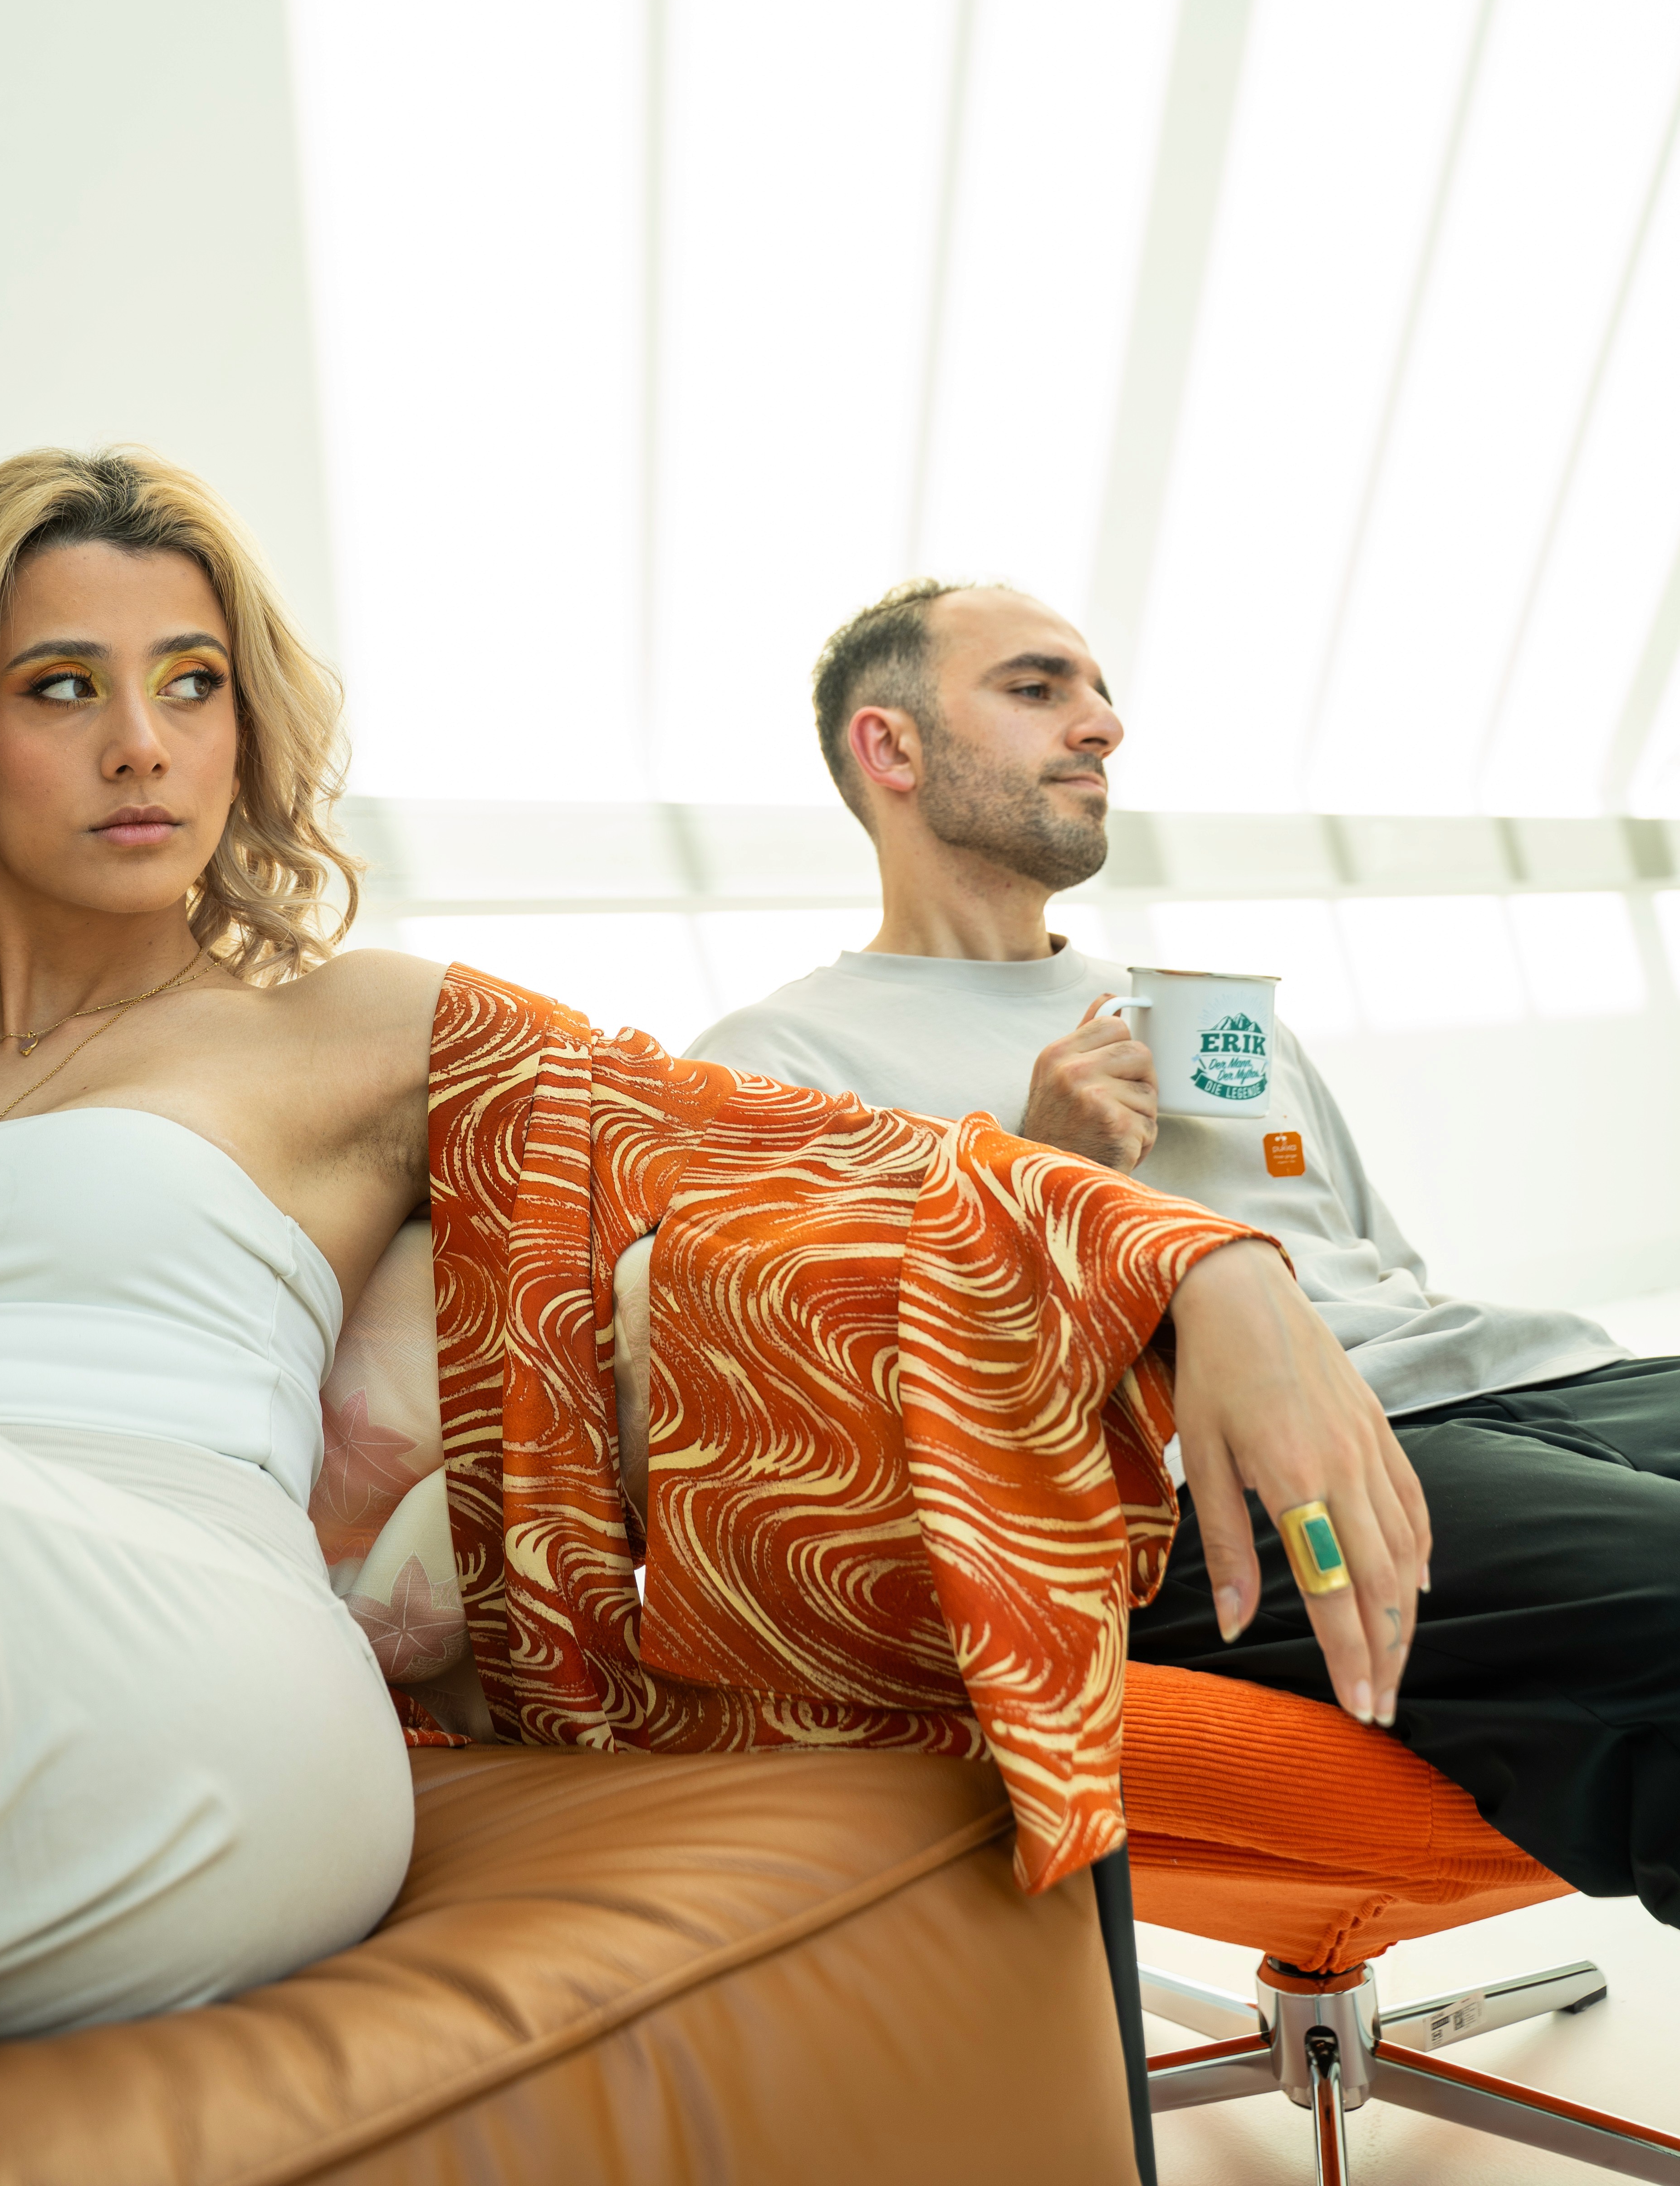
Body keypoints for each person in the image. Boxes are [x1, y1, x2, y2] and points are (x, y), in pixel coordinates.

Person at [0, 456, 1423, 2059]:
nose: (143, 743)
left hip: (198, 1668)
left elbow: (806, 1156)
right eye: (63, 687)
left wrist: (1207, 1267)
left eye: (193, 684)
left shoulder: (355, 1027)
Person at [688, 574, 1680, 1925]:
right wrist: (1040, 1171)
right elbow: (829, 1451)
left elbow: (1380, 1271)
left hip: (1536, 1383)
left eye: (1100, 693)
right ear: (892, 747)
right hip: (1205, 1485)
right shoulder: (773, 1066)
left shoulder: (1215, 1018)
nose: (1103, 724)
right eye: (1037, 688)